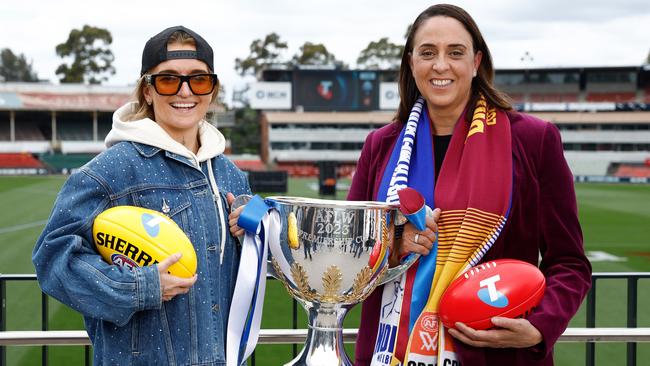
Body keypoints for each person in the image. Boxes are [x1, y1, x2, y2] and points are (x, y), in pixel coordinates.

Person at [348, 4, 591, 366]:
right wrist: (395, 247)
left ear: (476, 62)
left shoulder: (532, 140)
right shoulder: (380, 146)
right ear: (411, 63)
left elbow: (569, 262)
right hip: (389, 352)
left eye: (455, 52)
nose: (441, 65)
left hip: (498, 355)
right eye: (427, 53)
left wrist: (540, 328)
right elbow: (349, 252)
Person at [32, 26, 251, 365]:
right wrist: (140, 287)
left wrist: (258, 231)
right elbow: (52, 258)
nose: (185, 91)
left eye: (199, 79)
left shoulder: (230, 175)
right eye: (167, 80)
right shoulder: (111, 169)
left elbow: (262, 267)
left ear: (212, 90)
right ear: (147, 91)